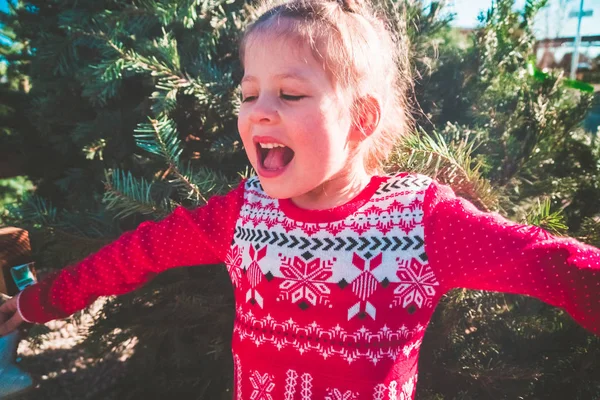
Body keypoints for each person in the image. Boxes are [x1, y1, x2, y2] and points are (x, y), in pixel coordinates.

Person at [1, 0, 599, 398]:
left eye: (289, 93)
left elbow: (558, 265)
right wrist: (40, 301)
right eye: (248, 91)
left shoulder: (422, 222)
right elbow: (140, 252)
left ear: (361, 119)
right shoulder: (242, 215)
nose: (259, 108)